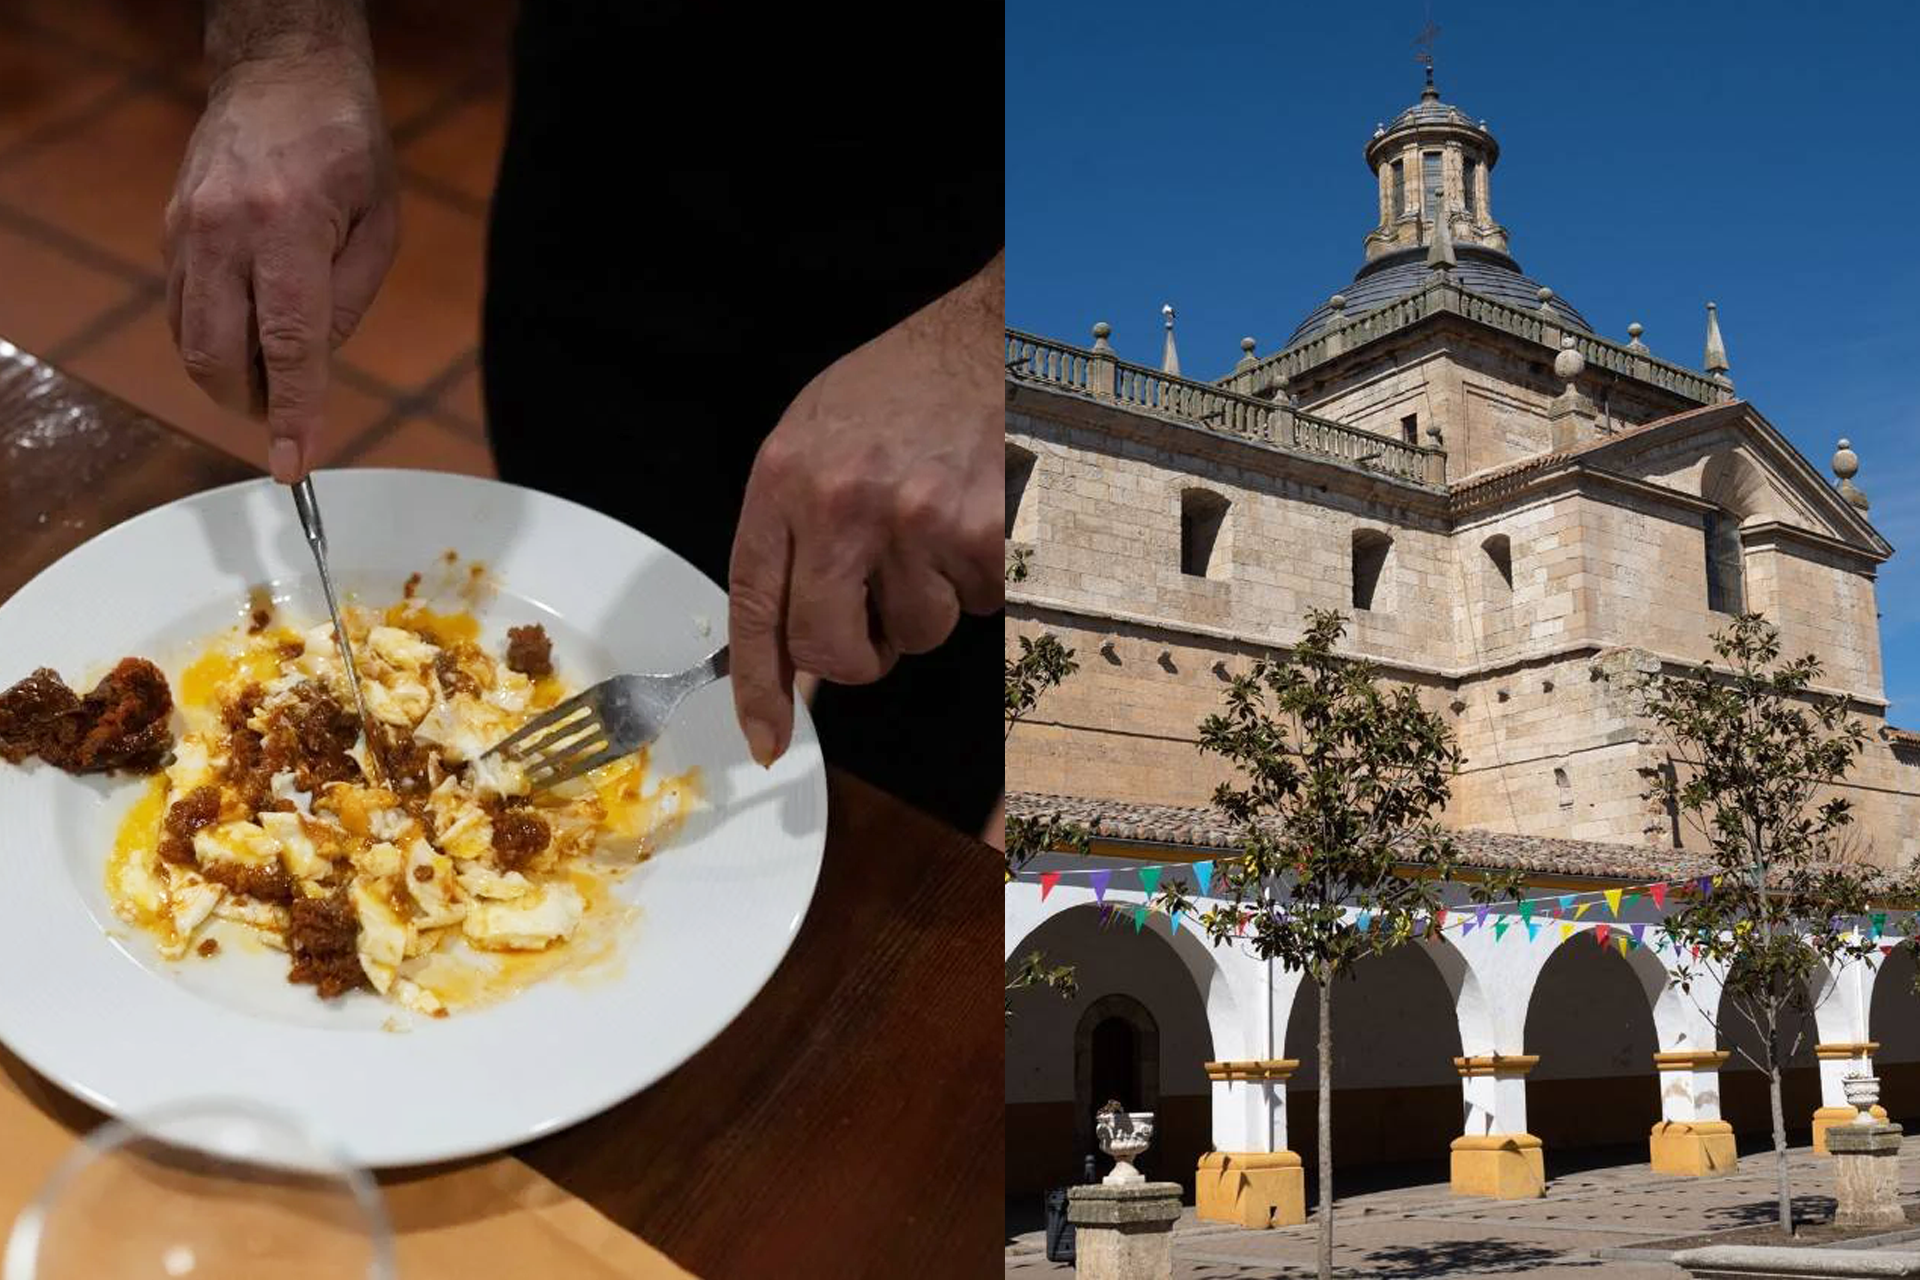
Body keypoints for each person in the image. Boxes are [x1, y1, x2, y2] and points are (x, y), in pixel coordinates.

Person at [163, 0, 1003, 836]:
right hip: (620, 129)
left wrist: (996, 334)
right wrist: (281, 45)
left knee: (917, 743)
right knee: (585, 543)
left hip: (1018, 162)